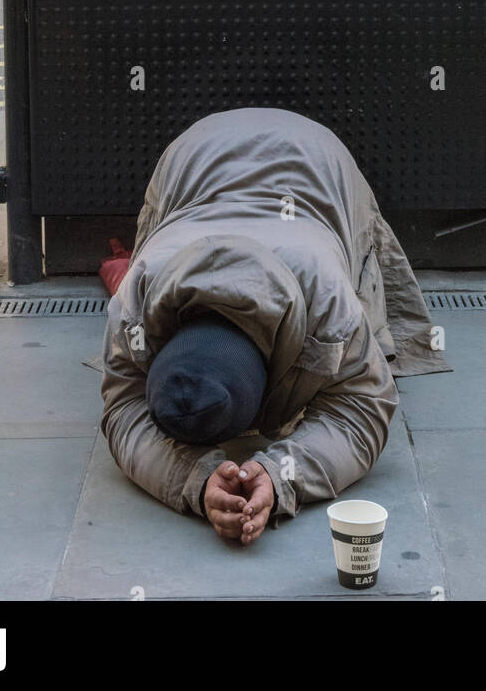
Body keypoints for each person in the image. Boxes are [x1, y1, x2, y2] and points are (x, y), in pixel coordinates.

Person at [100, 107, 448, 545]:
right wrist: (196, 481)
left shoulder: (330, 304)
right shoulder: (135, 304)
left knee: (372, 331)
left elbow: (365, 406)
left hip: (318, 159)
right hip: (191, 158)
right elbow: (125, 410)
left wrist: (282, 475)